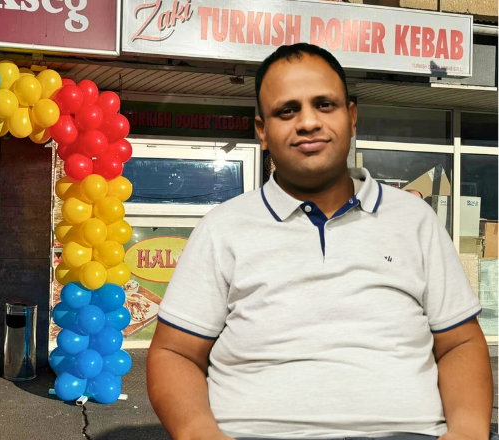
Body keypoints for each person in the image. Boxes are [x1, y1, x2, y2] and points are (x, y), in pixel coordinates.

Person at [147, 43, 492, 440]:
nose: (308, 122)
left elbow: (459, 343)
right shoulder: (222, 228)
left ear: (352, 117)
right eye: (287, 111)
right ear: (262, 131)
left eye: (324, 105)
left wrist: (467, 431)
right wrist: (199, 433)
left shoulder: (416, 220)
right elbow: (175, 353)